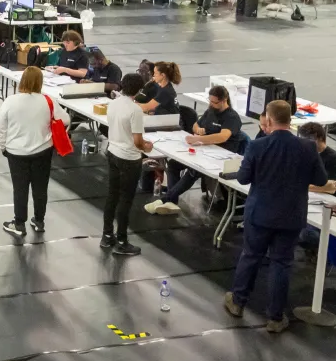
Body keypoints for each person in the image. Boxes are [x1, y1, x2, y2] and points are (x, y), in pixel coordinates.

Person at [222, 101, 326, 334]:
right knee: (281, 263)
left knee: (251, 256)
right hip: (291, 216)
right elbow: (320, 179)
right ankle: (276, 318)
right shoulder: (307, 148)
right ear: (290, 120)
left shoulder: (257, 146)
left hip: (260, 213)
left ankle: (238, 302)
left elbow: (243, 179)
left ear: (268, 120)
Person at [149, 84, 244, 213]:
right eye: (210, 101)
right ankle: (172, 201)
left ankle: (167, 199)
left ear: (224, 100)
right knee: (173, 165)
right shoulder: (211, 111)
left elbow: (223, 136)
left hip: (221, 155)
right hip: (205, 149)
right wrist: (197, 130)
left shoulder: (232, 117)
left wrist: (199, 139)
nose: (211, 104)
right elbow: (195, 124)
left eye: (215, 102)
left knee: (193, 170)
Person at [0, 64, 64, 239]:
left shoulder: (10, 101)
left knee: (20, 189)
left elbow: (1, 128)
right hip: (43, 151)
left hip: (16, 152)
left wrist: (3, 146)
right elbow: (65, 120)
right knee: (40, 188)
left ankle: (19, 223)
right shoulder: (48, 100)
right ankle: (39, 220)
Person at [98, 73, 155, 256]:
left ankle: (107, 235)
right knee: (125, 199)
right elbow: (138, 141)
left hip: (112, 152)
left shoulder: (113, 103)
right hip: (129, 158)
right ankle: (122, 240)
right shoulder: (135, 110)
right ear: (139, 90)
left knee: (112, 195)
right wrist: (147, 146)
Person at [298, 122, 336, 195]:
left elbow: (331, 187)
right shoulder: (306, 152)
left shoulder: (334, 160)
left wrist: (300, 186)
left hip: (328, 197)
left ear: (320, 138)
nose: (304, 143)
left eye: (308, 139)